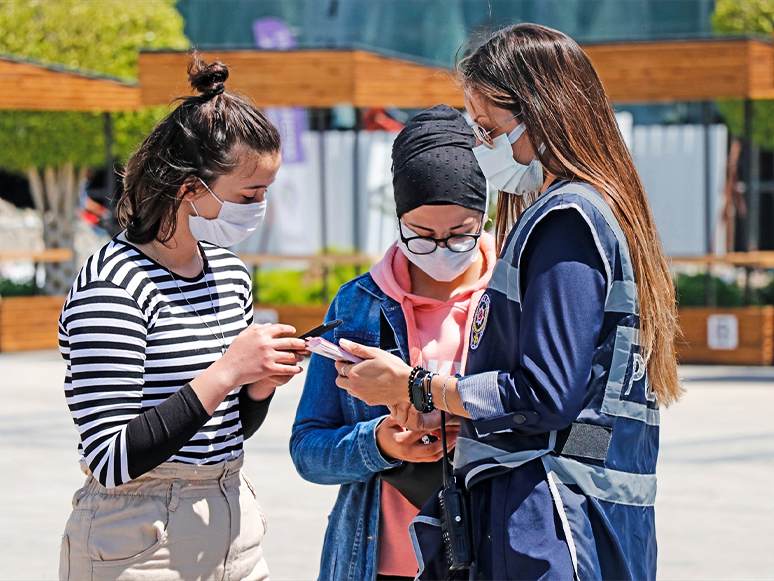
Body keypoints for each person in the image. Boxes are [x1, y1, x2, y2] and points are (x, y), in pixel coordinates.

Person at [329, 24, 682, 581]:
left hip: (550, 521)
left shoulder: (565, 218)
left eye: (490, 129)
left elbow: (544, 394)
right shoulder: (595, 211)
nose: (483, 146)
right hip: (585, 515)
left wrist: (414, 387)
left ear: (543, 116)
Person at [57, 54, 306, 581]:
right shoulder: (113, 284)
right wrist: (229, 371)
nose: (261, 207)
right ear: (191, 189)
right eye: (250, 194)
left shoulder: (229, 274)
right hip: (140, 540)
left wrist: (259, 384)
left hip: (233, 518)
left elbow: (226, 429)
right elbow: (112, 459)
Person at [290, 105, 497, 581]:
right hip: (376, 563)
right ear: (399, 219)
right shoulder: (358, 304)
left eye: (459, 234)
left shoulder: (514, 297)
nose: (441, 249)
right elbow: (307, 449)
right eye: (422, 235)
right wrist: (379, 443)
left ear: (483, 217)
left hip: (492, 553)